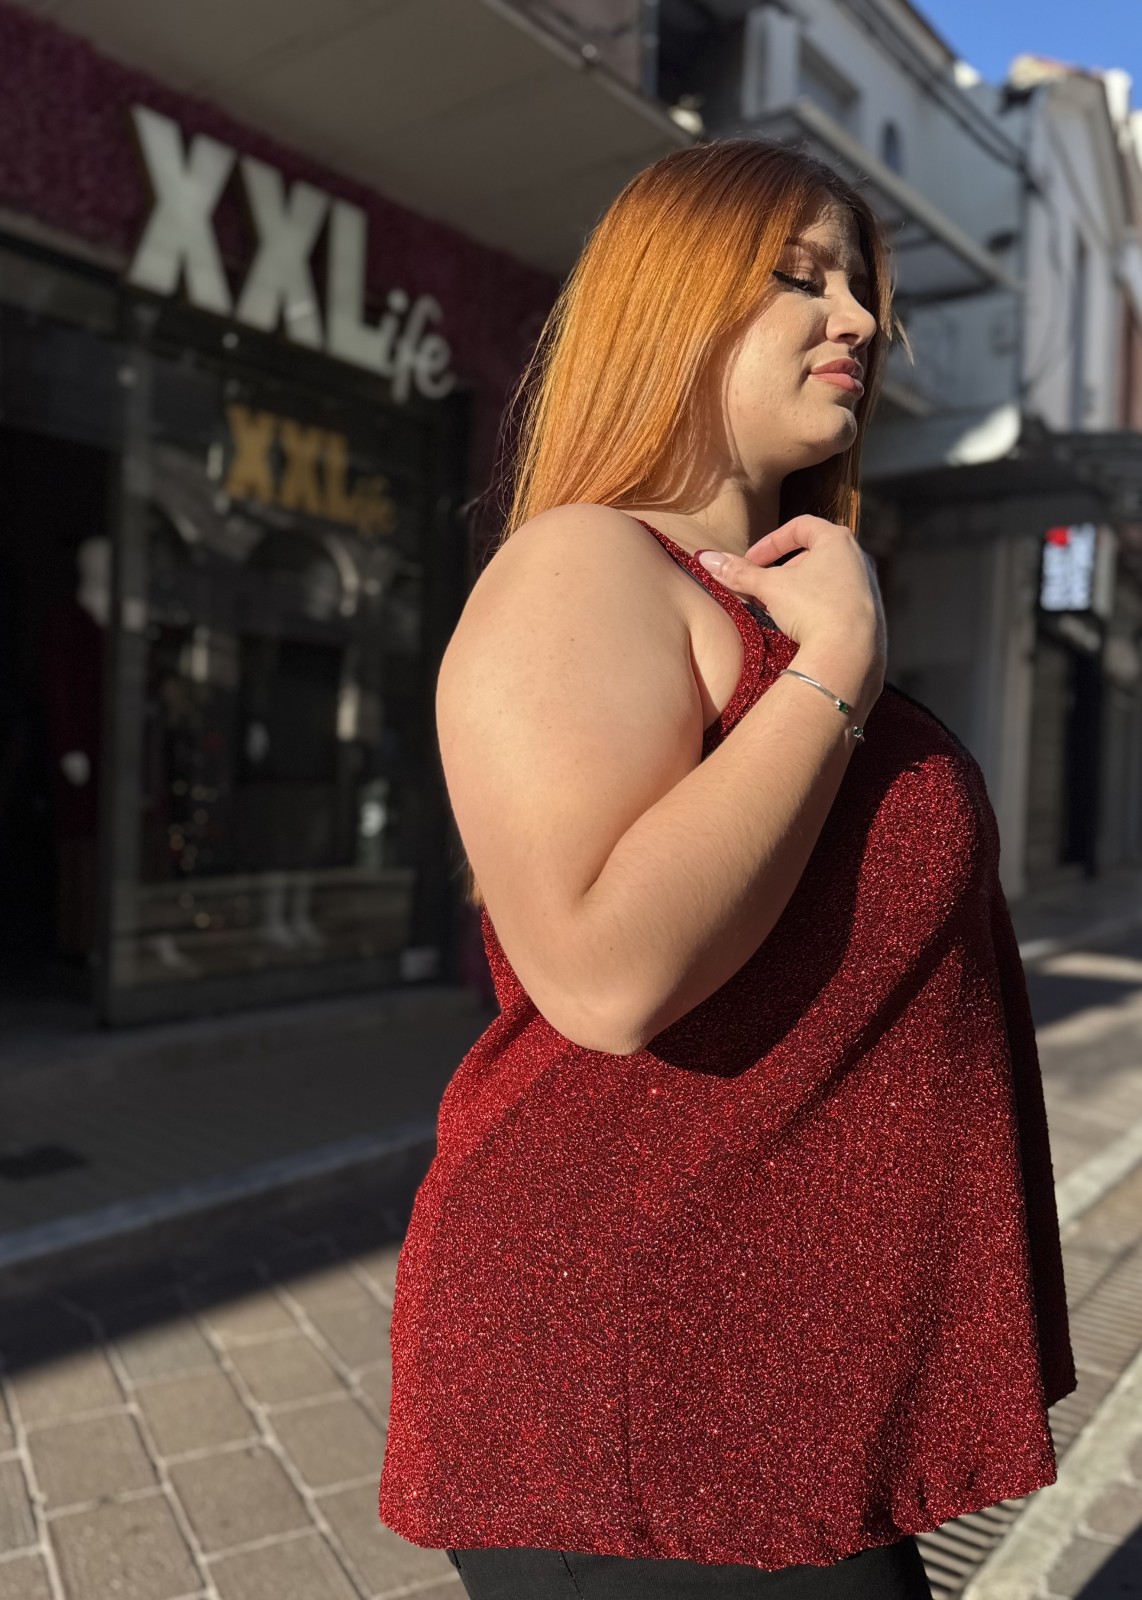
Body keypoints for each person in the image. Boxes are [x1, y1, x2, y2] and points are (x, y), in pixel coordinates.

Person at [377, 138, 1075, 1598]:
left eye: (860, 288)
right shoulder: (586, 564)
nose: (859, 319)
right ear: (670, 300)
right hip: (641, 1383)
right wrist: (836, 668)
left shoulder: (780, 598)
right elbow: (605, 972)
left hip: (773, 1386)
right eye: (799, 277)